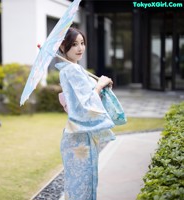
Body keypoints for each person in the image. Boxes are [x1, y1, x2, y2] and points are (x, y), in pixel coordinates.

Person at [55, 27, 116, 200]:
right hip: (79, 137)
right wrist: (99, 85)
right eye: (74, 44)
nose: (80, 48)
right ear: (62, 47)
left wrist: (101, 85)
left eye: (82, 43)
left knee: (79, 183)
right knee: (83, 183)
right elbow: (87, 104)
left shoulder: (72, 69)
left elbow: (78, 101)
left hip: (76, 135)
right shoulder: (72, 70)